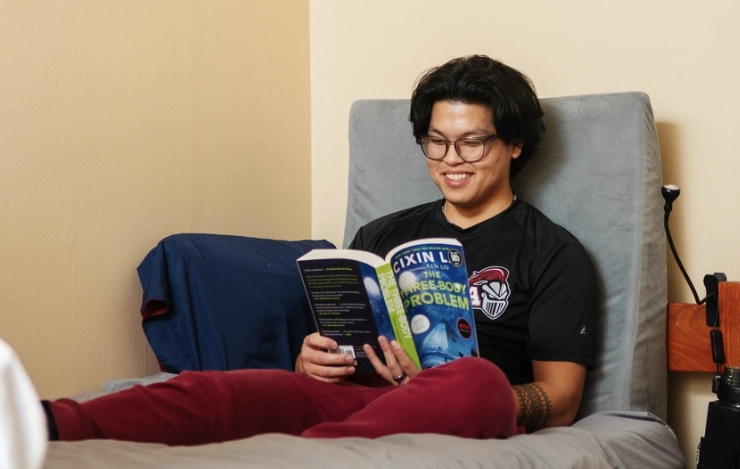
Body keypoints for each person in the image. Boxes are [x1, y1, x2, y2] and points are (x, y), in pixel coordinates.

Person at [42, 55, 596, 445]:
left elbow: (561, 400)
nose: (451, 158)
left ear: (515, 143)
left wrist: (455, 389)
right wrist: (313, 362)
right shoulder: (381, 235)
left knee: (476, 381)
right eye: (436, 140)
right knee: (226, 390)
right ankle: (45, 423)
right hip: (353, 398)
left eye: (473, 141)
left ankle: (307, 452)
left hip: (460, 405)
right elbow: (331, 343)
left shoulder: (553, 253)